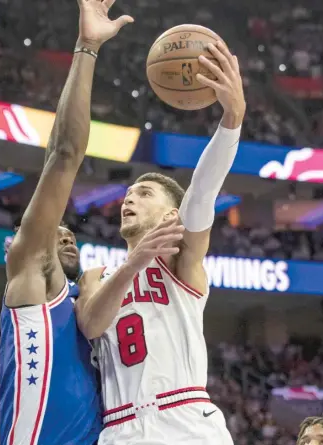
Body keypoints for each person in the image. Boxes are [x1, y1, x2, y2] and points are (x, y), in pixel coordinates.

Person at [76, 40, 246, 444]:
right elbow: (92, 324)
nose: (130, 198)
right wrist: (134, 263)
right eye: (129, 193)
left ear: (173, 215)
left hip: (185, 419)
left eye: (145, 193)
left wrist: (232, 120)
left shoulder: (178, 258)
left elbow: (203, 192)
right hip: (121, 428)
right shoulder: (97, 276)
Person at [0, 1, 135, 444]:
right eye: (56, 232)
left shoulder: (86, 308)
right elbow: (64, 153)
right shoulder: (31, 274)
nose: (67, 234)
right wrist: (88, 48)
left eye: (70, 232)